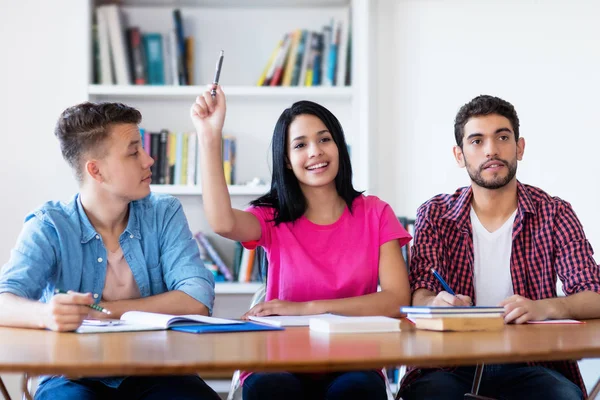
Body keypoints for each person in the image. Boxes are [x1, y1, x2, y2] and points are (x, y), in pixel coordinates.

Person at [191, 86, 412, 400]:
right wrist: (210, 135)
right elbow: (222, 222)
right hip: (279, 360)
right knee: (274, 389)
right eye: (300, 145)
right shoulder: (271, 216)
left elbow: (395, 299)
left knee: (356, 391)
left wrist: (305, 309)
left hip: (355, 361)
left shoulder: (375, 212)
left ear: (339, 146)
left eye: (324, 139)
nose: (315, 152)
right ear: (286, 160)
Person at [0, 102, 220, 400]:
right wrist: (47, 314)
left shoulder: (164, 212)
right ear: (96, 170)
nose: (149, 159)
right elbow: (4, 301)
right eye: (133, 152)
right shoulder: (49, 225)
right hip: (72, 375)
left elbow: (196, 299)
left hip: (159, 370)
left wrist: (103, 312)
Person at [400, 95, 600, 400]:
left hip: (532, 362)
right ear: (459, 155)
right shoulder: (435, 214)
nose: (491, 149)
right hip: (451, 364)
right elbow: (421, 293)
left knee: (564, 397)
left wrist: (545, 307)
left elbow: (594, 294)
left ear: (519, 147)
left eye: (502, 137)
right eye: (477, 141)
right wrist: (434, 302)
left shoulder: (554, 213)